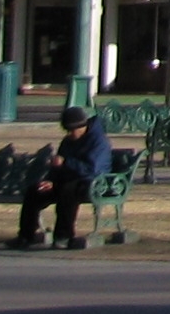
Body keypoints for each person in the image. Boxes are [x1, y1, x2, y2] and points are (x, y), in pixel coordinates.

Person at [14, 105, 113, 248]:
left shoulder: (99, 142)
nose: (69, 133)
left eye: (72, 130)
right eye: (67, 130)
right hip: (67, 180)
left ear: (82, 127)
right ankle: (26, 235)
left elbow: (92, 169)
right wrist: (51, 180)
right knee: (34, 192)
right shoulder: (67, 141)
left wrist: (67, 162)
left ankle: (64, 236)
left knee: (68, 191)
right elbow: (58, 167)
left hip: (93, 183)